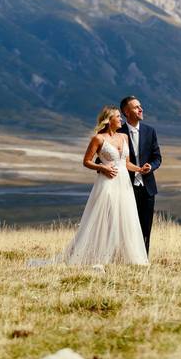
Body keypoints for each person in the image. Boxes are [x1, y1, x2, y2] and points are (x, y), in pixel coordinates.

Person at [37, 105, 149, 266]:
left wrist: (140, 169)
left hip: (124, 183)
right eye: (118, 117)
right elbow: (86, 161)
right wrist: (101, 167)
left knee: (126, 217)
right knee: (105, 219)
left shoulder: (124, 137)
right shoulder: (98, 139)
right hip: (108, 183)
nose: (121, 119)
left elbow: (126, 163)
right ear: (109, 120)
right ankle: (98, 257)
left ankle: (123, 258)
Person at [118, 96, 161, 254]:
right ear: (126, 112)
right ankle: (126, 257)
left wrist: (151, 166)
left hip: (148, 188)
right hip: (126, 187)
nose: (141, 109)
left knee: (145, 227)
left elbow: (157, 158)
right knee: (127, 226)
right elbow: (103, 160)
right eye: (136, 107)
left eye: (140, 106)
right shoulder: (117, 132)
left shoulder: (150, 131)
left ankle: (144, 260)